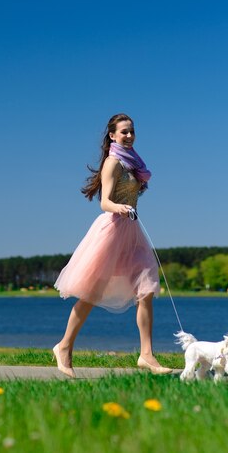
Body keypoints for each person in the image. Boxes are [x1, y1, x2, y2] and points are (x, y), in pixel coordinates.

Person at [53, 113, 172, 377]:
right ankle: (63, 347)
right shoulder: (114, 163)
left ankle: (146, 355)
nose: (129, 136)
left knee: (147, 288)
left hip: (132, 230)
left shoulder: (133, 165)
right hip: (112, 230)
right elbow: (104, 201)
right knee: (90, 294)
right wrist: (119, 207)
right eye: (124, 132)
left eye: (132, 131)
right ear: (112, 136)